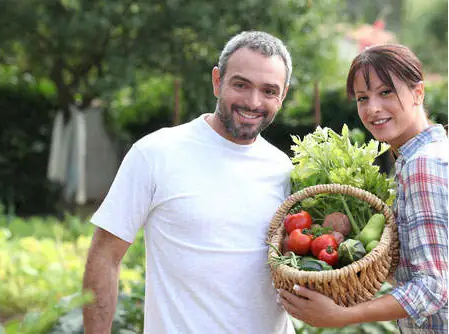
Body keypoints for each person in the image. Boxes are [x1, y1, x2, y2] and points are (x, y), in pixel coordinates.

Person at [82, 30, 296, 333]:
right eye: (241, 85)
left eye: (269, 91)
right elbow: (105, 256)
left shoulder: (283, 168)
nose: (253, 101)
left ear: (283, 95)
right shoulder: (156, 153)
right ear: (217, 81)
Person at [279, 44, 448, 333]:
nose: (373, 109)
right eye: (362, 97)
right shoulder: (426, 156)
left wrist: (341, 315)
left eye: (386, 92)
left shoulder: (423, 166)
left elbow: (433, 287)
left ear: (418, 92)